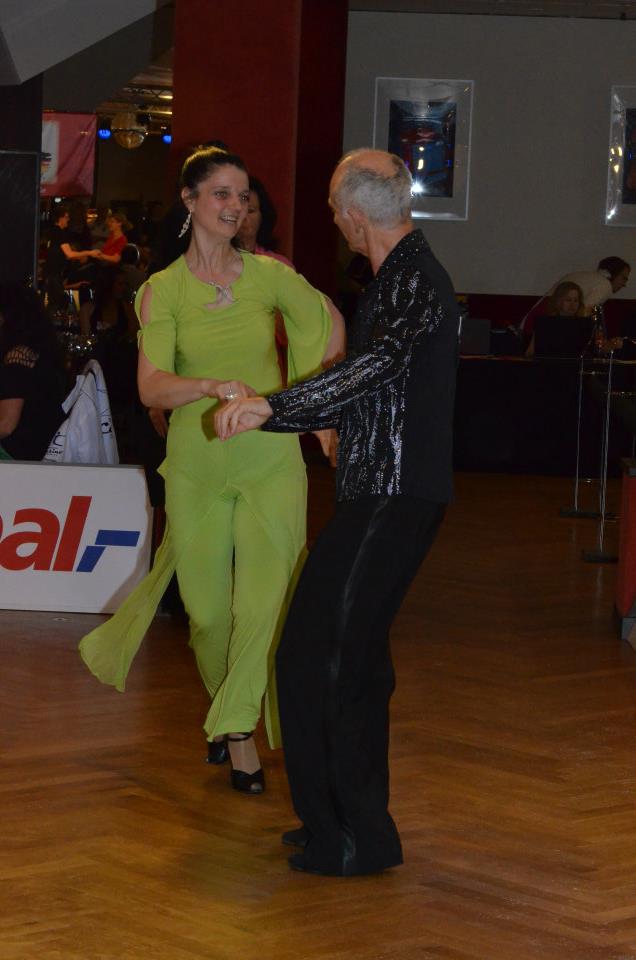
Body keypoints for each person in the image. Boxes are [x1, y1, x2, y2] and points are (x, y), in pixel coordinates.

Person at [215, 148, 459, 874]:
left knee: (324, 656)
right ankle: (344, 823)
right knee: (342, 657)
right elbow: (383, 382)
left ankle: (350, 837)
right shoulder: (397, 278)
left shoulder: (414, 279)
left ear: (354, 217)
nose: (330, 216)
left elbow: (376, 366)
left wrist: (276, 407)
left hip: (394, 495)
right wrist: (328, 421)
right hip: (383, 490)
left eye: (331, 206)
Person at [78, 146, 345, 794]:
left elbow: (329, 323)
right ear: (190, 200)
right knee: (206, 616)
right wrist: (208, 385)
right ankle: (230, 714)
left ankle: (236, 729)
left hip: (269, 460)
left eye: (242, 195)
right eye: (221, 193)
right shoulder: (163, 290)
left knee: (261, 604)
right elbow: (151, 387)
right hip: (197, 465)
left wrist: (307, 405)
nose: (234, 206)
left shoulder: (269, 276)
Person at [0, 284, 66, 460]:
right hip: (41, 447)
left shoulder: (18, 357)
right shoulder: (39, 352)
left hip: (20, 455)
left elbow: (6, 425)